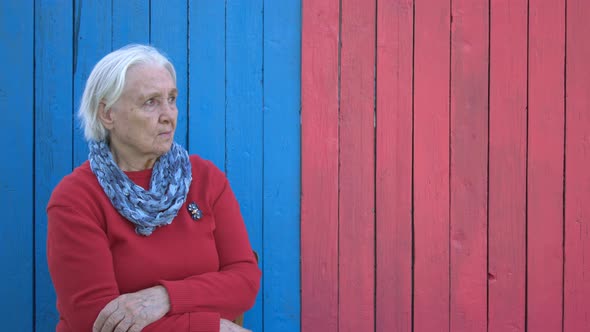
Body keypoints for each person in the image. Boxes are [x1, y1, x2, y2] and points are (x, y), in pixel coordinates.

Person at [46, 44, 261, 332]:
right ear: (107, 114)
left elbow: (244, 281)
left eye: (171, 99)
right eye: (151, 102)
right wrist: (210, 328)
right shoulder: (77, 199)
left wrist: (166, 297)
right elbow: (96, 321)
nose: (168, 115)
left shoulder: (205, 179)